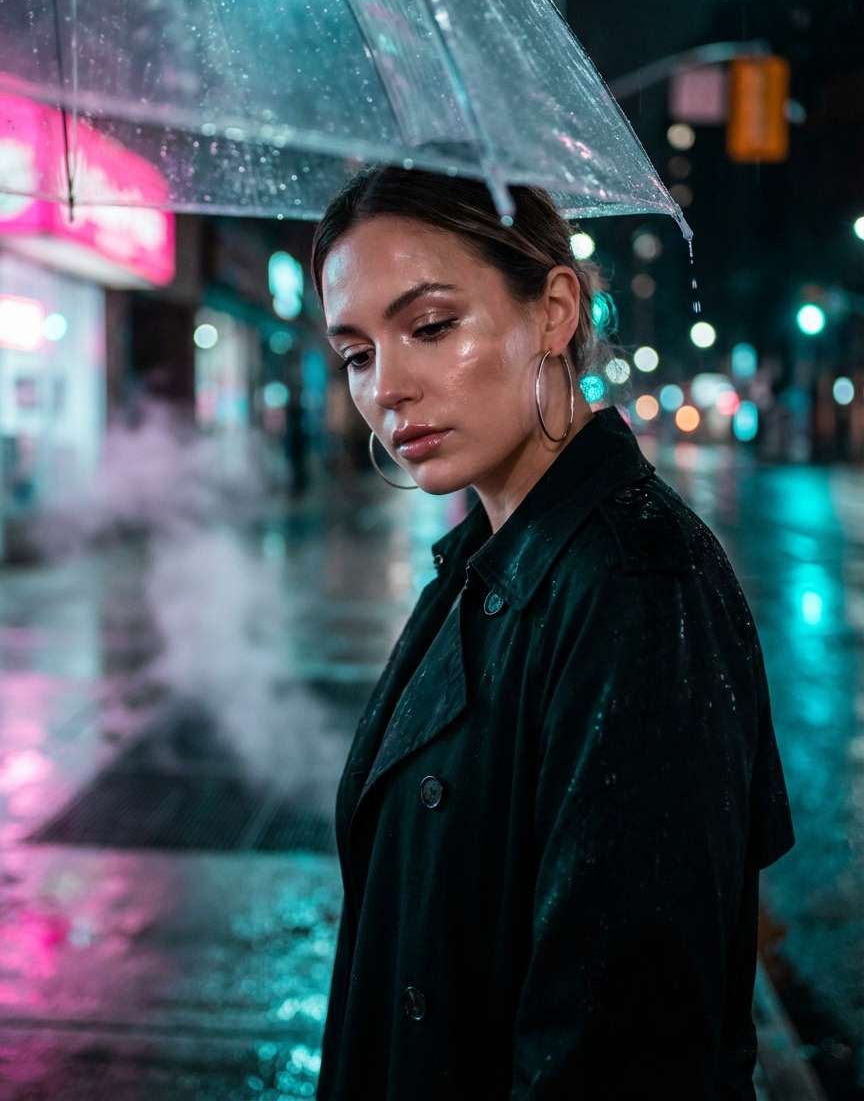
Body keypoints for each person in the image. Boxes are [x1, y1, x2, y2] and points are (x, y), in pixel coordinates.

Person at [311, 164, 795, 1101]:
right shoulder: (484, 560)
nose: (389, 387)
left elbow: (626, 1049)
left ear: (555, 310)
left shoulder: (637, 588)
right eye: (357, 353)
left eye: (430, 326)